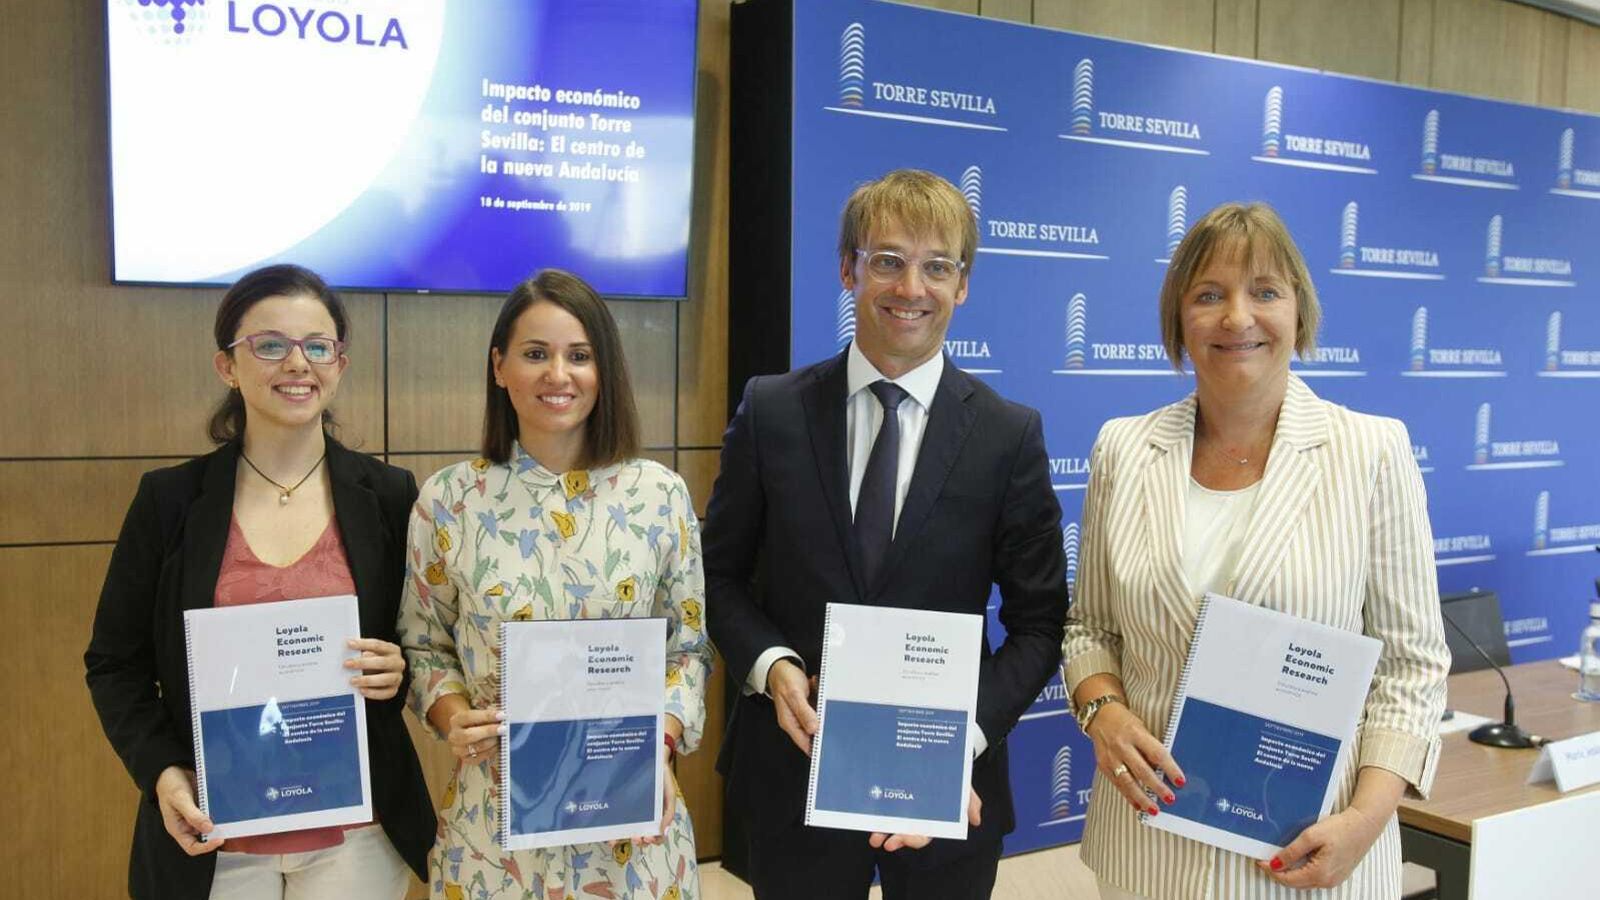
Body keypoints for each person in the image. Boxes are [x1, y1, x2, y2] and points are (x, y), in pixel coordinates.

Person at [1063, 201, 1450, 900]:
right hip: (1149, 849)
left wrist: (1364, 822)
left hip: (1312, 853)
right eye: (1208, 295)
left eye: (1264, 292)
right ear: (1178, 320)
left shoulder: (1371, 452)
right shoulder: (1123, 449)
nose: (1237, 318)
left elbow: (1411, 669)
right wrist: (1103, 713)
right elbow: (1090, 628)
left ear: (1298, 311)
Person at [704, 168, 1069, 899]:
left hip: (948, 791)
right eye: (888, 261)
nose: (912, 287)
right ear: (849, 269)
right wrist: (771, 664)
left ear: (963, 285)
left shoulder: (1008, 435)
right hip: (792, 772)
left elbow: (1039, 624)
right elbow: (716, 578)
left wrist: (959, 739)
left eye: (938, 266)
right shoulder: (772, 411)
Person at [84, 264, 435, 899]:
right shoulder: (169, 501)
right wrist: (163, 774)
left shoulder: (388, 495)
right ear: (228, 366)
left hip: (356, 833)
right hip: (216, 834)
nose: (297, 363)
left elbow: (427, 647)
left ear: (339, 363)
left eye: (317, 346)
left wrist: (399, 667)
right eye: (270, 345)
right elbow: (114, 663)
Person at [398, 269, 710, 900]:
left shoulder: (660, 496)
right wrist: (453, 716)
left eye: (580, 356)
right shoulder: (450, 501)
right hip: (496, 823)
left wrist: (663, 741)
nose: (558, 375)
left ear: (605, 371)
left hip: (631, 820)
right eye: (535, 354)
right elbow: (423, 645)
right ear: (498, 367)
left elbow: (689, 647)